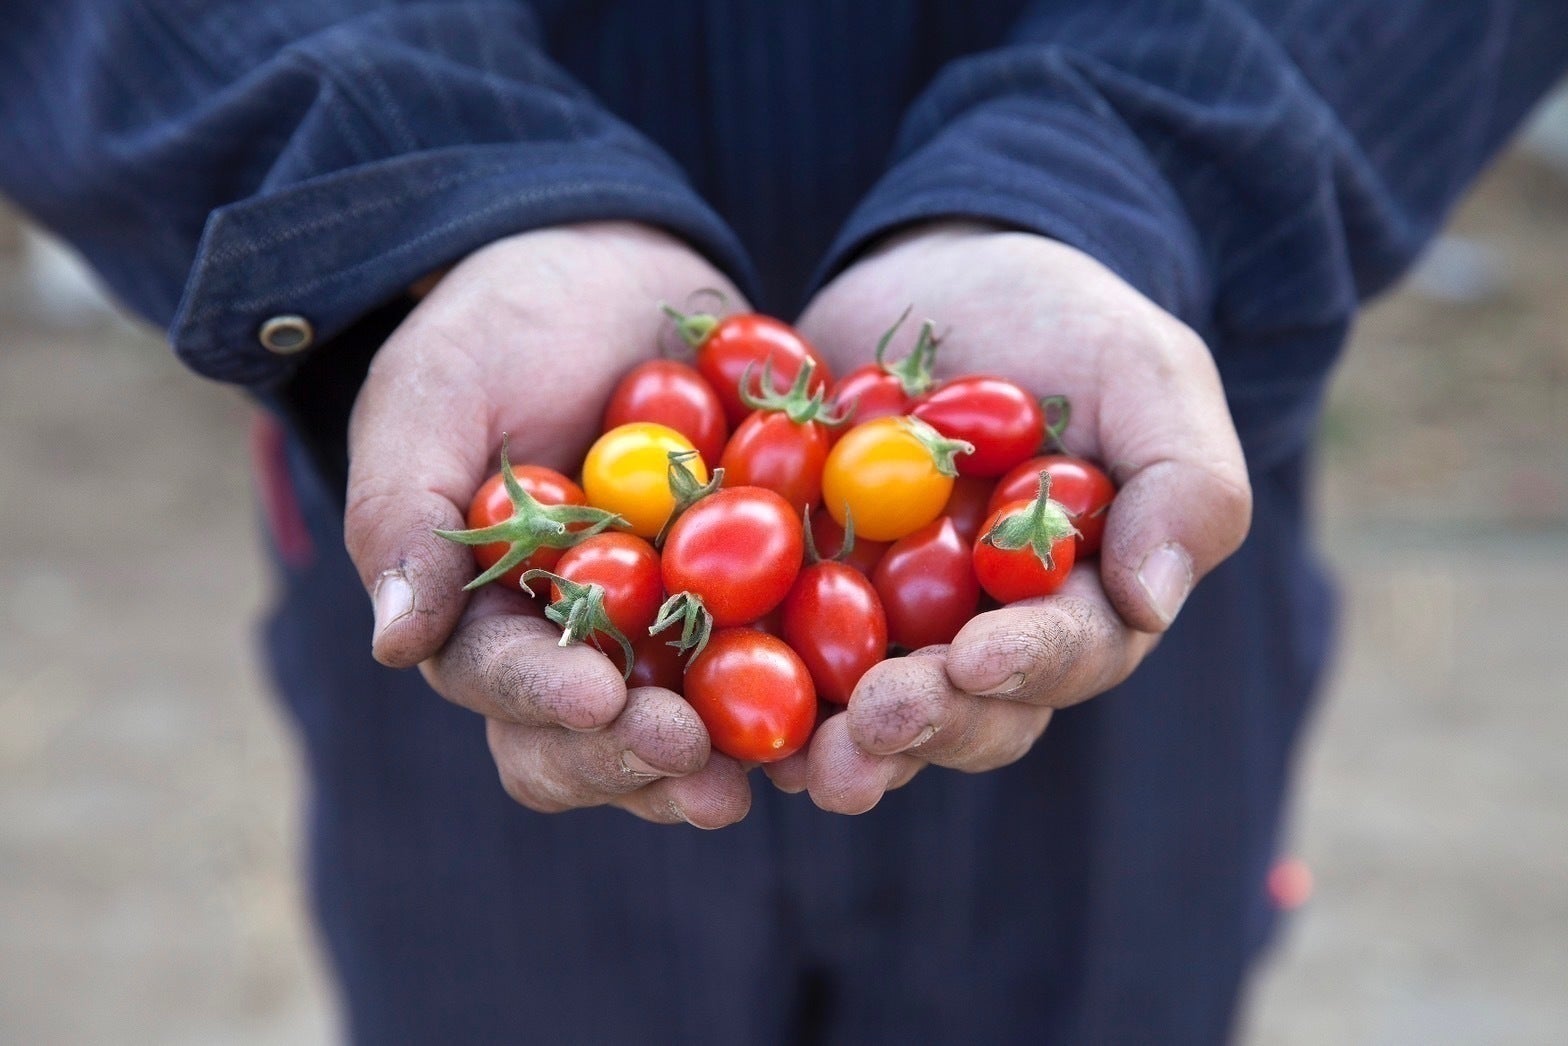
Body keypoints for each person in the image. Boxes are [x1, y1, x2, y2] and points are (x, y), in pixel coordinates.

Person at [4, 2, 1565, 1042]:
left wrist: (1126, 167)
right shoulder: (660, 517)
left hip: (1111, 584)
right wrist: (406, 179)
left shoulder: (895, 477)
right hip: (476, 524)